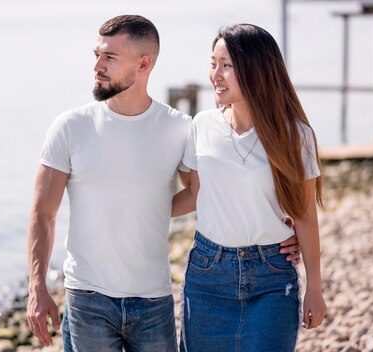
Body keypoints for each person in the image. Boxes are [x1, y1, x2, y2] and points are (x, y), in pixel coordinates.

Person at [26, 16, 301, 351]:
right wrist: (37, 287)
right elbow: (43, 212)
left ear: (144, 63)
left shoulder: (179, 128)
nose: (97, 65)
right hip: (88, 297)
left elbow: (206, 191)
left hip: (153, 301)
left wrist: (276, 227)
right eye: (96, 54)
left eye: (110, 57)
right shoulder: (69, 127)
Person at [178, 24, 327, 352]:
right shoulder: (202, 126)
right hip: (207, 277)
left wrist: (314, 287)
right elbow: (193, 195)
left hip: (272, 277)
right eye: (213, 63)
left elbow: (304, 215)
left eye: (227, 65)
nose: (216, 74)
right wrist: (135, 209)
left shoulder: (295, 135)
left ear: (256, 69)